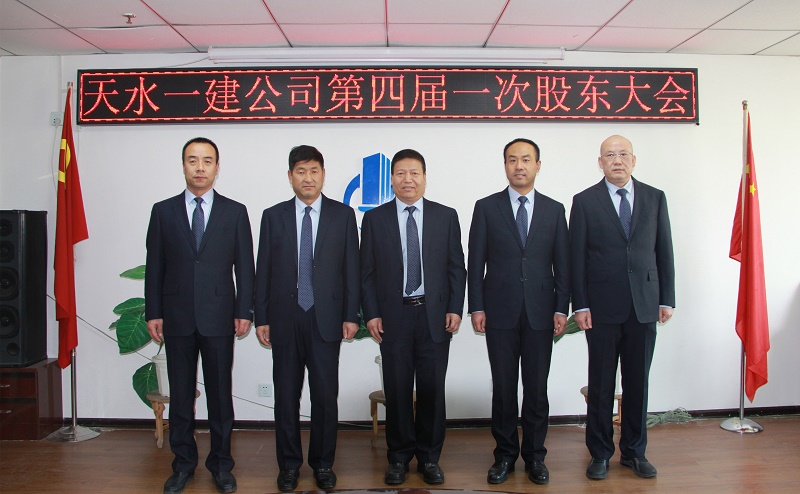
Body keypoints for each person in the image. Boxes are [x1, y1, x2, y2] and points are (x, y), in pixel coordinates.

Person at [145, 137, 255, 494]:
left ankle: (221, 465)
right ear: (183, 166)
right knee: (180, 396)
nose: (200, 167)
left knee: (220, 396)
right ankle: (183, 465)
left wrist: (244, 310)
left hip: (220, 317)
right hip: (176, 317)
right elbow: (154, 266)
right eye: (193, 160)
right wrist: (154, 311)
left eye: (207, 161)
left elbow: (245, 266)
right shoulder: (163, 211)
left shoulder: (234, 212)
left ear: (217, 167)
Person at [254, 145, 360, 492]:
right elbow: (263, 269)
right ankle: (288, 466)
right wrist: (261, 317)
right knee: (286, 396)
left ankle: (323, 464)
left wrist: (351, 315)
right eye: (301, 171)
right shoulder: (273, 216)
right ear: (290, 176)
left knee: (325, 397)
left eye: (314, 171)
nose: (308, 178)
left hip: (326, 318)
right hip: (285, 318)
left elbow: (352, 269)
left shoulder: (343, 216)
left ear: (323, 174)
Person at [570, 135, 675, 480]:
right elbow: (577, 259)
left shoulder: (655, 197)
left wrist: (666, 298)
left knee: (637, 384)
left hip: (644, 306)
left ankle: (634, 452)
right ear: (600, 162)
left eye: (623, 154)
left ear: (634, 159)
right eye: (610, 155)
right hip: (601, 308)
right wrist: (580, 304)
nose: (617, 160)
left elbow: (664, 251)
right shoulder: (584, 201)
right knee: (601, 385)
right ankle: (600, 453)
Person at [360, 149, 466, 486]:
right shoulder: (374, 219)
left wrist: (455, 308)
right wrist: (371, 314)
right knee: (397, 389)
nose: (408, 179)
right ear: (392, 179)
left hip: (434, 316)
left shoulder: (445, 216)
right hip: (394, 317)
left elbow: (456, 267)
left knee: (432, 390)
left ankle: (430, 458)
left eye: (414, 173)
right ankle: (399, 457)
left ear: (424, 177)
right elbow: (367, 274)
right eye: (401, 173)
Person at [467, 138, 569, 486]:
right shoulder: (486, 207)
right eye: (512, 160)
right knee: (504, 388)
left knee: (537, 389)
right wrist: (476, 306)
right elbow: (475, 262)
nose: (519, 166)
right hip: (499, 312)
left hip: (541, 312)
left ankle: (536, 456)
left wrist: (561, 307)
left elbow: (563, 264)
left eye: (526, 160)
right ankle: (505, 456)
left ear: (538, 165)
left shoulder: (554, 210)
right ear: (505, 166)